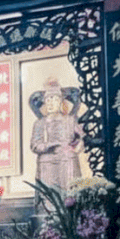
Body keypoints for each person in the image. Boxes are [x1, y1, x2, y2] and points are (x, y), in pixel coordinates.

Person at [29, 77, 84, 210]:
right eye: (48, 100)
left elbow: (83, 138)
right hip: (48, 164)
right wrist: (49, 145)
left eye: (54, 99)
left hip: (67, 162)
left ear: (60, 102)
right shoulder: (40, 123)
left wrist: (76, 148)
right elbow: (34, 145)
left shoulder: (70, 120)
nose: (51, 103)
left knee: (70, 197)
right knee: (50, 200)